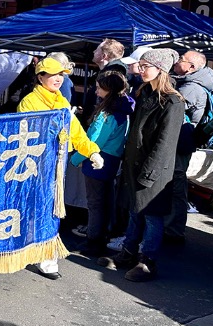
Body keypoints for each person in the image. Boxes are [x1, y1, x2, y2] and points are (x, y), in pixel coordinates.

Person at [99, 49, 185, 282]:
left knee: (152, 217)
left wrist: (149, 173)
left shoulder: (174, 102)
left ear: (161, 70)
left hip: (154, 168)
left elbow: (165, 143)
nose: (141, 69)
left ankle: (147, 261)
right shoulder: (144, 91)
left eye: (146, 65)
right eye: (141, 64)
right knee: (134, 211)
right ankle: (128, 252)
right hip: (134, 163)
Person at [18, 56, 103, 280]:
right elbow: (25, 135)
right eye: (53, 74)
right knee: (30, 209)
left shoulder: (62, 102)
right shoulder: (29, 102)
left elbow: (76, 131)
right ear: (40, 77)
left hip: (56, 167)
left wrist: (91, 151)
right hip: (33, 166)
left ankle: (47, 259)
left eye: (61, 74)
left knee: (51, 210)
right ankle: (23, 250)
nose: (58, 78)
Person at [70, 70, 134, 256]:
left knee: (95, 203)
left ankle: (93, 241)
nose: (96, 91)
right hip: (112, 160)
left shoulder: (108, 113)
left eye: (99, 88)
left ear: (109, 90)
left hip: (98, 160)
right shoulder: (124, 109)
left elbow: (94, 141)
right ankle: (102, 235)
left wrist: (75, 159)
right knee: (105, 200)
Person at [167, 50, 213, 244]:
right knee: (175, 185)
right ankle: (173, 228)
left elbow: (170, 110)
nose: (178, 61)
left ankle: (173, 230)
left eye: (182, 59)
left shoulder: (191, 88)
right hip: (184, 142)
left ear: (192, 67)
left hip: (181, 142)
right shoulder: (194, 84)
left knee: (175, 186)